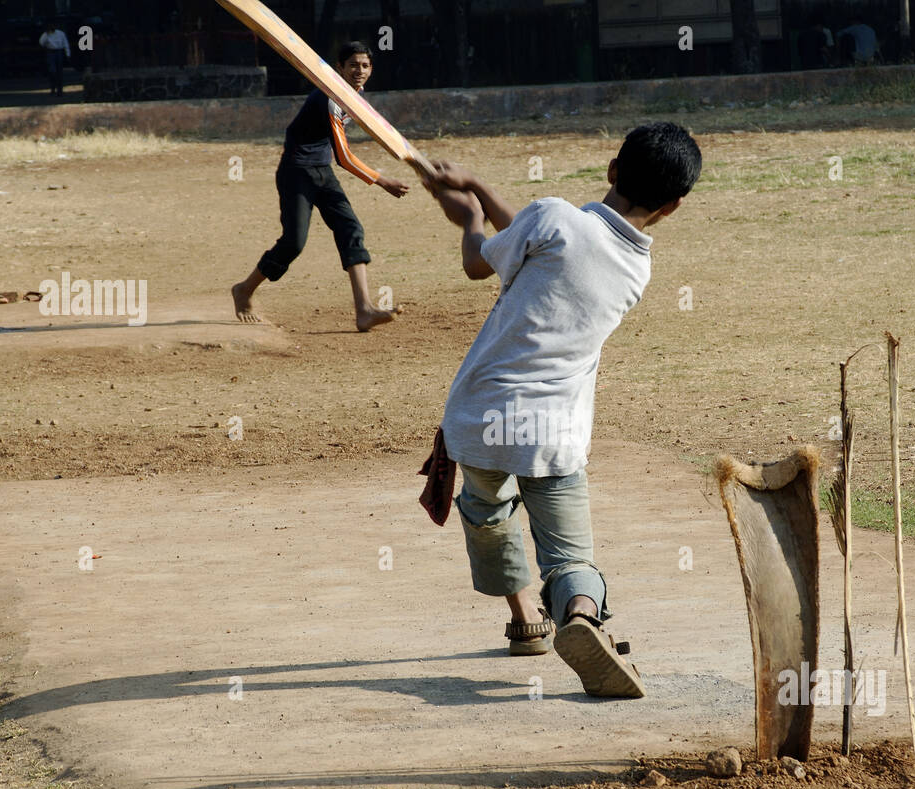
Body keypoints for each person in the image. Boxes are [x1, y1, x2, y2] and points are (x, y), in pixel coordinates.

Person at [424, 122, 702, 698]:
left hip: (478, 416)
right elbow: (538, 239)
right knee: (569, 553)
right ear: (674, 207)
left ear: (611, 169)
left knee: (488, 509)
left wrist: (470, 216)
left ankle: (526, 617)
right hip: (550, 431)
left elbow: (486, 260)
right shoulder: (635, 271)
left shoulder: (551, 215)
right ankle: (578, 616)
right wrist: (475, 184)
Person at [232, 41, 409, 330]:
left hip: (322, 170)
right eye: (353, 65)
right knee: (293, 242)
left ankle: (364, 309)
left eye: (365, 66)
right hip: (296, 172)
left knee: (351, 228)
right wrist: (381, 180)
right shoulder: (330, 98)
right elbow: (344, 157)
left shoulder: (356, 96)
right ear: (339, 68)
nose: (359, 71)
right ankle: (244, 289)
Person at [38, 19, 71, 96]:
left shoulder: (60, 34)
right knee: (52, 71)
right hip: (50, 52)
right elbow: (41, 43)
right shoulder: (45, 34)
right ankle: (53, 88)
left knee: (60, 72)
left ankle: (60, 90)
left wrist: (68, 54)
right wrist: (46, 36)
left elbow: (65, 44)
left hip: (59, 52)